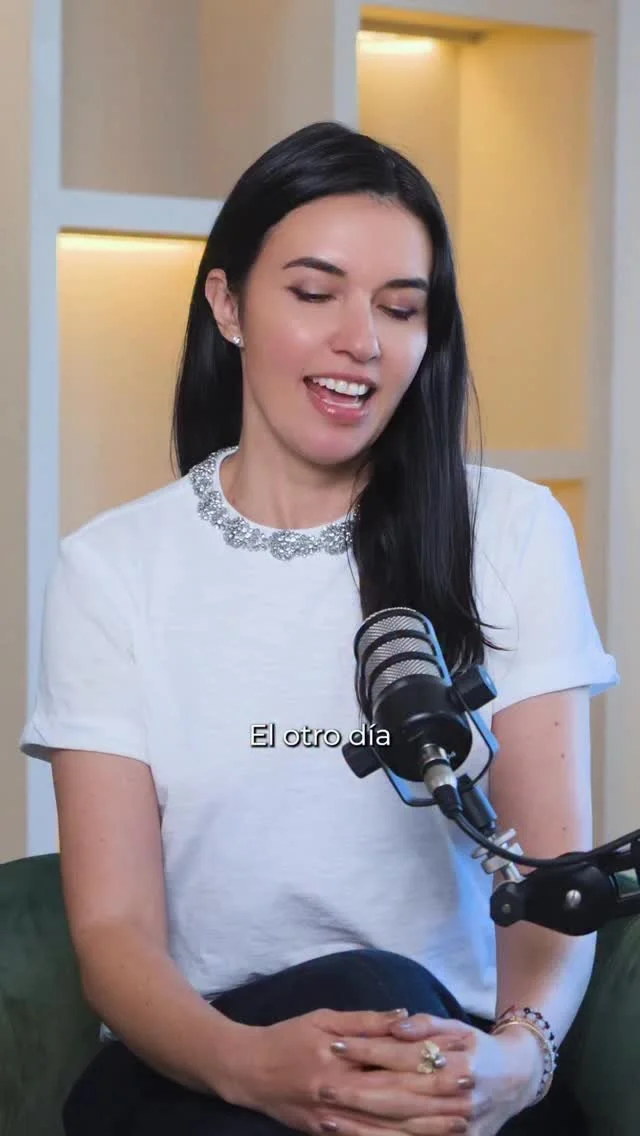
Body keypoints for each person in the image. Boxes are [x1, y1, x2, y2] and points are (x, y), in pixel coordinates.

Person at [20, 121, 618, 1136]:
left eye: (400, 307)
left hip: (449, 1064)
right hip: (212, 1063)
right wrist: (253, 1067)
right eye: (313, 293)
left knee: (390, 997)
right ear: (227, 304)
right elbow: (115, 933)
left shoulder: (510, 531)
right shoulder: (112, 568)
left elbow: (550, 877)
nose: (362, 340)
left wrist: (519, 1060)